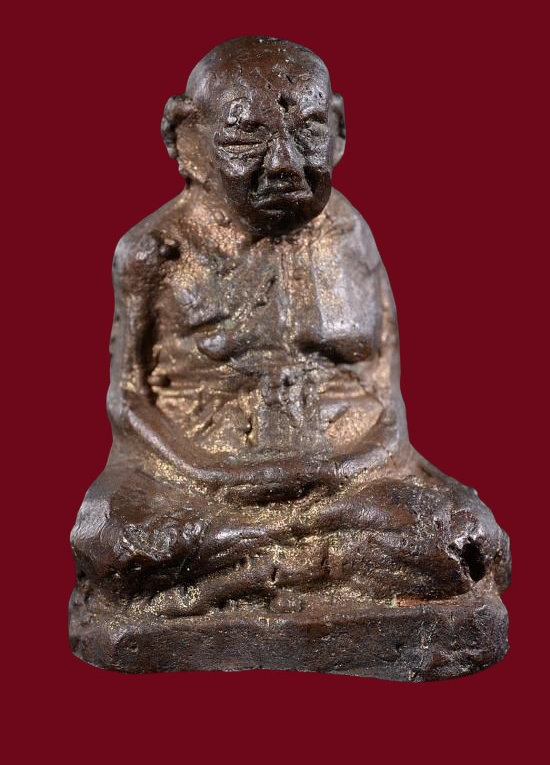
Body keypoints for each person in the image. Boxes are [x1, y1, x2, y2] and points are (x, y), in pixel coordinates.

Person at [70, 38, 510, 677]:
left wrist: (342, 469)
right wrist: (213, 474)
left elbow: (384, 391)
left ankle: (242, 577)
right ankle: (309, 563)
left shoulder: (350, 234)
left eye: (307, 133)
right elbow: (130, 400)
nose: (283, 163)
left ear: (338, 130)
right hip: (194, 482)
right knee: (117, 543)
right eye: (245, 139)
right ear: (187, 139)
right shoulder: (152, 251)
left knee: (464, 536)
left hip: (350, 479)